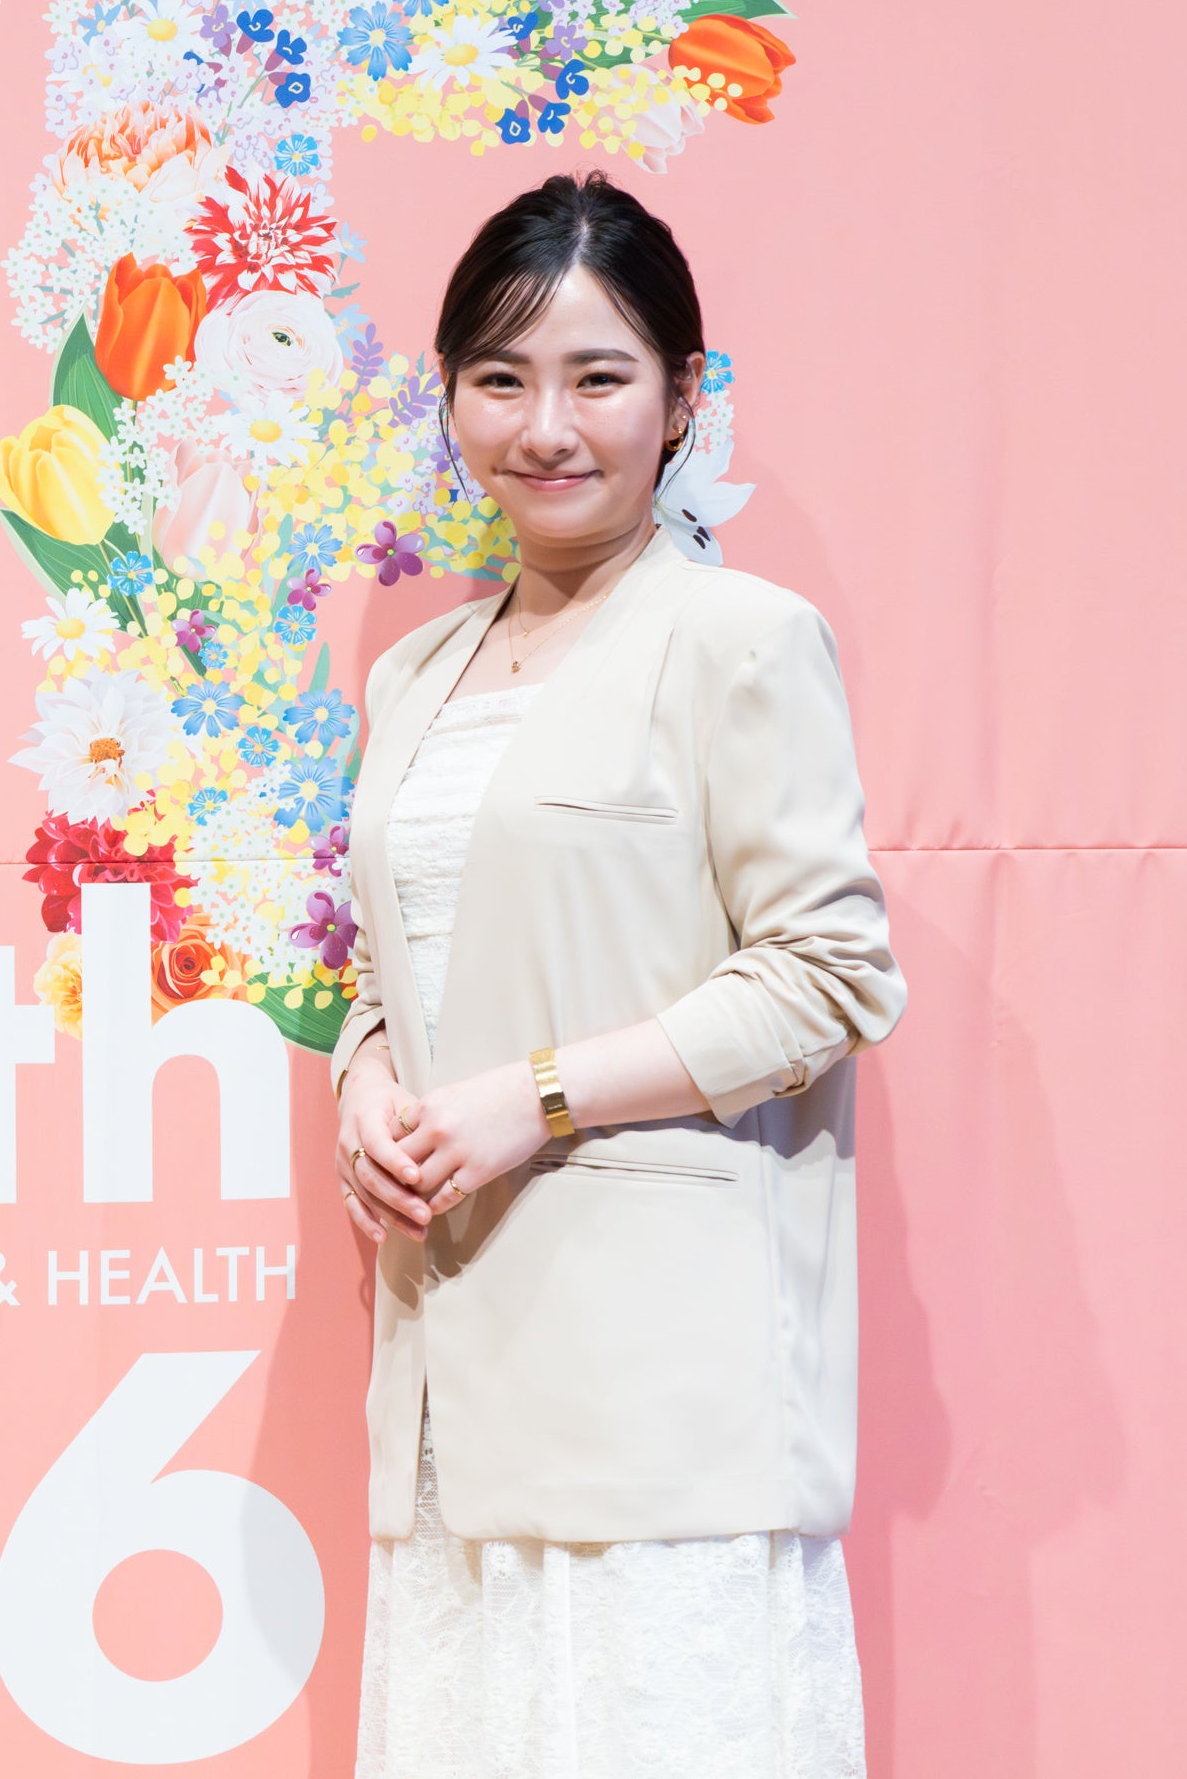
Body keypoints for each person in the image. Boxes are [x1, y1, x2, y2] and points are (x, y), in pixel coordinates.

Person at [330, 172, 904, 1776]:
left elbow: (830, 974)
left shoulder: (740, 639)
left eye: (597, 378)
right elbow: (397, 971)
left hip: (660, 1393)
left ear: (681, 394)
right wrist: (365, 1085)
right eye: (500, 378)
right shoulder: (413, 675)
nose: (546, 428)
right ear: (449, 397)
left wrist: (534, 1098)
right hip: (451, 1377)